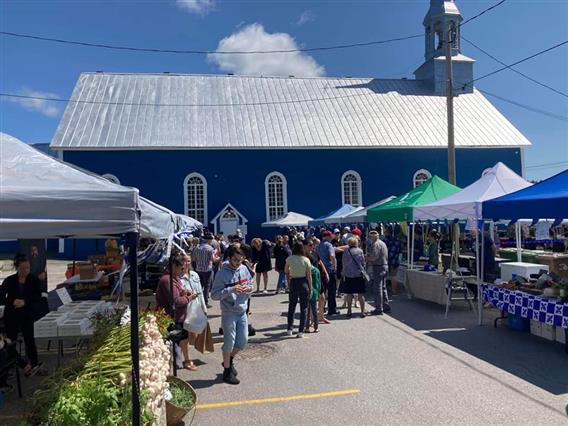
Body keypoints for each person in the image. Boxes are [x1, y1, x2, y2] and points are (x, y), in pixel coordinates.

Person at [211, 246, 254, 385]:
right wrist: (231, 289)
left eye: (240, 259)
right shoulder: (221, 274)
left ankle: (228, 361)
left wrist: (248, 289)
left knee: (243, 341)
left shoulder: (244, 268)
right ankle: (227, 372)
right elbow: (215, 295)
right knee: (229, 341)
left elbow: (250, 285)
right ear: (229, 258)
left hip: (242, 310)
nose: (238, 262)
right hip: (228, 311)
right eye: (235, 259)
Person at [0, 254, 44, 376]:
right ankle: (20, 365)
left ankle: (34, 364)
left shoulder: (33, 280)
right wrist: (12, 301)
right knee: (10, 342)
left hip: (27, 314)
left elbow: (37, 296)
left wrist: (25, 302)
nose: (26, 270)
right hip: (11, 315)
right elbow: (1, 297)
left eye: (28, 268)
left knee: (29, 339)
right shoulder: (9, 280)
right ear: (17, 268)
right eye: (23, 268)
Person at [156, 254, 197, 370]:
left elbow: (178, 293)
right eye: (182, 268)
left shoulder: (175, 278)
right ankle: (169, 367)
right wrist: (189, 298)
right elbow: (177, 301)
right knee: (171, 346)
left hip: (179, 317)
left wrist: (184, 291)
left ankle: (185, 360)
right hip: (170, 318)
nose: (183, 271)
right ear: (174, 266)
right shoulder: (166, 280)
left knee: (183, 339)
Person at [180, 254, 207, 371]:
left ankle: (181, 353)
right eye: (185, 261)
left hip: (196, 308)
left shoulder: (195, 275)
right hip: (186, 309)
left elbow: (200, 291)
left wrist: (204, 308)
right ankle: (186, 359)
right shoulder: (178, 278)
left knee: (194, 334)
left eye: (189, 261)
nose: (187, 263)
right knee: (185, 336)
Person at [285, 242, 313, 338]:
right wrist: (311, 287)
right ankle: (301, 331)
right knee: (304, 308)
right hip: (303, 282)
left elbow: (286, 271)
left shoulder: (289, 259)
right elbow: (309, 275)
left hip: (294, 281)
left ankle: (289, 328)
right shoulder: (306, 260)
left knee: (291, 306)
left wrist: (289, 280)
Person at [342, 237, 367, 318]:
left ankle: (349, 310)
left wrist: (344, 272)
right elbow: (363, 263)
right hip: (359, 275)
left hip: (349, 275)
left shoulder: (346, 251)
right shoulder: (360, 251)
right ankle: (362, 312)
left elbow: (344, 263)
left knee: (349, 293)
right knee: (361, 294)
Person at [366, 231, 389, 315]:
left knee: (378, 288)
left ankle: (379, 308)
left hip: (378, 266)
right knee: (383, 287)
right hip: (384, 265)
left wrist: (367, 258)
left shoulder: (376, 244)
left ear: (373, 237)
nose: (369, 238)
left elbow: (374, 257)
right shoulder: (382, 243)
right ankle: (386, 306)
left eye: (370, 236)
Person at [193, 233, 220, 308]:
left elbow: (194, 259)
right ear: (210, 240)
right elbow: (213, 259)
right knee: (206, 287)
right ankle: (205, 302)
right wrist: (218, 259)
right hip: (207, 269)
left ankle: (198, 301)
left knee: (199, 286)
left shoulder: (197, 247)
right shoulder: (210, 248)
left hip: (198, 269)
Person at [316, 231, 338, 316]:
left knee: (323, 290)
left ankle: (322, 308)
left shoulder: (318, 246)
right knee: (332, 290)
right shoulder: (329, 245)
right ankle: (332, 309)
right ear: (328, 236)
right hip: (329, 269)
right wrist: (334, 266)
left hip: (321, 270)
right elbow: (332, 256)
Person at [384, 226, 402, 295]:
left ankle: (389, 290)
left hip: (388, 261)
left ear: (387, 232)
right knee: (393, 276)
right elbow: (400, 251)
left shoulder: (386, 240)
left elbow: (386, 252)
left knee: (388, 276)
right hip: (396, 260)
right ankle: (394, 290)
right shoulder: (397, 241)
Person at [305, 254, 321, 333]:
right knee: (314, 310)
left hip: (306, 291)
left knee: (306, 310)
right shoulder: (316, 270)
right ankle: (316, 327)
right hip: (314, 291)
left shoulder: (304, 270)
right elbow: (318, 282)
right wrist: (319, 292)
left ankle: (307, 327)